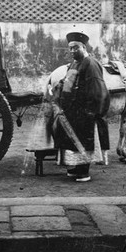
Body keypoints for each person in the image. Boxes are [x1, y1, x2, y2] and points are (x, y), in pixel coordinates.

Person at [52, 31, 110, 182]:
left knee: (85, 141)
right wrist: (58, 86)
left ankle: (84, 171)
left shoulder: (91, 64)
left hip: (85, 111)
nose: (72, 51)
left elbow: (97, 89)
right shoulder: (74, 63)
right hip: (73, 111)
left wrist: (92, 111)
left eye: (75, 47)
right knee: (74, 140)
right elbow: (67, 80)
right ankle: (76, 168)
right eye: (70, 48)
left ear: (83, 47)